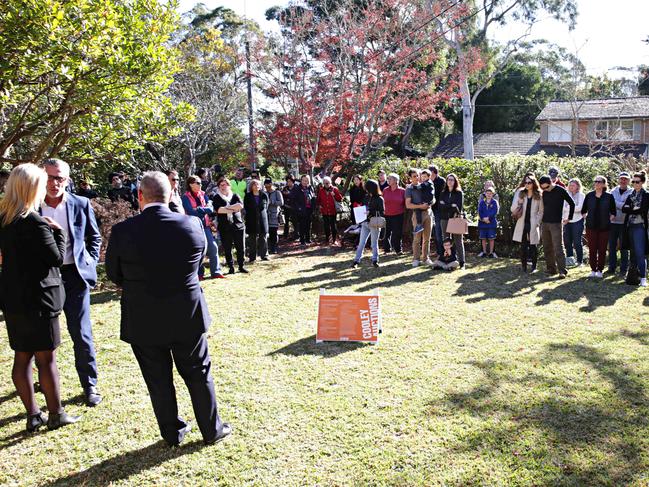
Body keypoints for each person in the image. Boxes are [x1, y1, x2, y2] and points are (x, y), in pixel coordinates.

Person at [105, 171, 232, 447]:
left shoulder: (123, 231)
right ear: (171, 194)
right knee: (198, 373)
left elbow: (114, 273)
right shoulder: (192, 225)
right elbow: (199, 264)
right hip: (185, 313)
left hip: (143, 316)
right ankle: (212, 430)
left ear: (140, 196)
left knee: (158, 379)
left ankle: (172, 433)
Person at [0, 163, 81, 431]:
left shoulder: (4, 219)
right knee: (46, 359)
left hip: (13, 298)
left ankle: (33, 414)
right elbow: (56, 259)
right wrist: (57, 232)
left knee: (22, 357)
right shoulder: (34, 221)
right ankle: (56, 414)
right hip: (40, 299)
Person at [42, 158, 103, 407]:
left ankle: (89, 385)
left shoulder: (80, 203)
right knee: (44, 335)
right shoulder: (31, 205)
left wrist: (87, 261)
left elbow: (93, 236)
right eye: (49, 176)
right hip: (44, 278)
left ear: (67, 180)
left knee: (81, 332)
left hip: (74, 276)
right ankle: (43, 379)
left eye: (60, 178)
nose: (54, 182)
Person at [182, 175, 224, 280]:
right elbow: (190, 212)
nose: (201, 185)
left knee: (213, 247)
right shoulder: (185, 197)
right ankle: (199, 274)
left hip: (205, 226)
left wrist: (199, 209)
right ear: (191, 184)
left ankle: (216, 272)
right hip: (193, 227)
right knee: (198, 250)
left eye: (201, 183)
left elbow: (211, 208)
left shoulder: (204, 194)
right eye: (198, 183)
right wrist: (203, 210)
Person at [539, 175, 575, 278]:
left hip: (556, 224)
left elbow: (571, 203)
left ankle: (562, 270)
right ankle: (551, 269)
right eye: (543, 188)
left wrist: (569, 218)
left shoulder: (561, 190)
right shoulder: (544, 192)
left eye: (546, 187)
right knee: (547, 247)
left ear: (551, 183)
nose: (545, 189)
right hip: (545, 223)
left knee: (558, 247)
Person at [581, 176, 616, 279]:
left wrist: (608, 219)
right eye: (595, 181)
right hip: (591, 226)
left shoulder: (609, 197)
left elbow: (613, 212)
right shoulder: (589, 196)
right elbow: (583, 210)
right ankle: (593, 269)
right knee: (592, 249)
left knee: (602, 249)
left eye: (599, 181)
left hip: (604, 227)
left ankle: (600, 270)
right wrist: (587, 217)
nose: (596, 183)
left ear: (604, 184)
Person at [212, 178, 247, 274]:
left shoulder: (235, 195)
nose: (223, 187)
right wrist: (232, 208)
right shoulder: (216, 197)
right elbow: (219, 210)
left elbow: (240, 206)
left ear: (229, 185)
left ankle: (241, 266)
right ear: (218, 187)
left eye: (225, 184)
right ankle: (231, 267)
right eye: (221, 185)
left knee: (241, 247)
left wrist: (226, 208)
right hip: (224, 226)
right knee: (227, 248)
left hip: (238, 225)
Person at [512, 174, 543, 273]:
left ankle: (534, 266)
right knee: (523, 246)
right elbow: (513, 208)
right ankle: (524, 266)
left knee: (533, 245)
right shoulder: (521, 193)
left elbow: (541, 211)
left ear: (533, 183)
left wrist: (537, 222)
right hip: (522, 222)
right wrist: (519, 203)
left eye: (529, 182)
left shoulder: (539, 195)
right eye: (525, 182)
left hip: (533, 223)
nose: (527, 184)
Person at [622, 172, 649, 287]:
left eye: (637, 182)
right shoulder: (630, 195)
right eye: (633, 182)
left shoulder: (646, 195)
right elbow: (624, 209)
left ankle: (643, 277)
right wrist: (633, 208)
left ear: (642, 182)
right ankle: (633, 277)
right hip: (630, 226)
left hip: (640, 226)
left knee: (640, 253)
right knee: (632, 252)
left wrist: (631, 208)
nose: (634, 184)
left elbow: (642, 210)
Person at [351, 179, 385, 268]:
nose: (365, 187)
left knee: (374, 243)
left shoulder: (379, 199)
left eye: (366, 186)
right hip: (365, 223)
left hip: (374, 223)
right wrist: (362, 209)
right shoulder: (366, 197)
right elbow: (364, 207)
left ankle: (375, 260)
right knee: (361, 242)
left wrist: (370, 212)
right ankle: (356, 260)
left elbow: (382, 212)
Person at [405, 169, 432, 267]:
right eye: (414, 176)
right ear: (410, 178)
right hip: (417, 215)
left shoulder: (426, 185)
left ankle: (425, 258)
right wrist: (420, 206)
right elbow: (408, 205)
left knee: (427, 238)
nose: (417, 178)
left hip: (428, 213)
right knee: (417, 238)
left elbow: (433, 198)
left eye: (418, 175)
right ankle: (416, 259)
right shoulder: (409, 189)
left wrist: (430, 203)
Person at [439, 173, 466, 269]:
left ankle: (462, 262)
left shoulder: (459, 193)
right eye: (448, 179)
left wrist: (447, 205)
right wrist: (451, 205)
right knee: (446, 241)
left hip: (455, 219)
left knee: (458, 241)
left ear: (455, 181)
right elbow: (440, 207)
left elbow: (458, 207)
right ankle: (448, 260)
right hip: (444, 219)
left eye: (452, 180)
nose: (450, 181)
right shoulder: (443, 193)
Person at [608, 172, 632, 276]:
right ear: (619, 180)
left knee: (624, 247)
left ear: (629, 181)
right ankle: (612, 267)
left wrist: (616, 204)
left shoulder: (632, 192)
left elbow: (629, 207)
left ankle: (623, 269)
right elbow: (610, 204)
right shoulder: (613, 191)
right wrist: (623, 205)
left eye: (625, 179)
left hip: (625, 223)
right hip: (613, 222)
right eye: (621, 179)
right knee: (612, 246)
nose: (623, 181)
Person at [244, 179, 269, 262]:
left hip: (262, 218)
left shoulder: (264, 195)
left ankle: (264, 255)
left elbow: (266, 206)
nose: (256, 186)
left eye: (258, 184)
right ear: (251, 186)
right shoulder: (247, 196)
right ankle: (252, 257)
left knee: (263, 237)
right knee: (252, 238)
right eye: (254, 184)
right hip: (251, 218)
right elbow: (246, 207)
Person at [562, 178, 585, 267]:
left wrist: (568, 207)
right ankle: (570, 260)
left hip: (577, 221)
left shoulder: (581, 195)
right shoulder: (566, 195)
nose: (571, 187)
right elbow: (562, 207)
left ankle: (580, 261)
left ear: (578, 186)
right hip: (566, 221)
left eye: (573, 185)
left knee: (577, 242)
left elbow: (580, 208)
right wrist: (571, 208)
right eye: (570, 185)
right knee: (567, 241)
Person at [382, 173, 406, 255]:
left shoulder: (402, 191)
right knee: (386, 233)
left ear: (396, 181)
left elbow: (406, 203)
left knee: (397, 233)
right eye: (388, 179)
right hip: (386, 215)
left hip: (398, 215)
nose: (388, 180)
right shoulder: (385, 190)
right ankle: (386, 249)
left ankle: (398, 250)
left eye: (390, 179)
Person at [291, 175, 316, 247]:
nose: (305, 182)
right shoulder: (296, 188)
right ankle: (302, 240)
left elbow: (313, 198)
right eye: (304, 180)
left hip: (309, 209)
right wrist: (298, 208)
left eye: (307, 180)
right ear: (301, 181)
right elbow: (293, 200)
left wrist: (313, 207)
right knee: (302, 225)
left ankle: (308, 239)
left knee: (308, 224)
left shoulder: (310, 188)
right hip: (301, 210)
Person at [316, 176, 343, 245]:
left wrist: (335, 195)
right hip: (324, 211)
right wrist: (319, 205)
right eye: (325, 183)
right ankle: (327, 240)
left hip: (333, 210)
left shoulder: (335, 189)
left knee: (333, 226)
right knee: (326, 226)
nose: (326, 184)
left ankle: (334, 240)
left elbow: (340, 199)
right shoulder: (321, 190)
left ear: (330, 183)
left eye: (328, 183)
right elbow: (318, 200)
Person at [477, 186, 499, 258]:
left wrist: (488, 218)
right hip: (482, 223)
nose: (489, 194)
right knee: (483, 238)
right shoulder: (482, 202)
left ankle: (491, 253)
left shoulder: (495, 202)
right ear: (485, 194)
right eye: (487, 193)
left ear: (492, 194)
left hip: (491, 223)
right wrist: (483, 218)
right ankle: (484, 252)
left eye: (490, 193)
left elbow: (494, 211)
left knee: (491, 239)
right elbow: (480, 212)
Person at [429, 165, 446, 257]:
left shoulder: (441, 181)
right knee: (434, 232)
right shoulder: (428, 181)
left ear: (435, 173)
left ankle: (442, 251)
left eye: (430, 173)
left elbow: (442, 196)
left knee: (439, 232)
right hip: (430, 209)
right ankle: (438, 251)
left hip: (439, 210)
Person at [264, 178, 284, 254]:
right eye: (266, 186)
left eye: (268, 186)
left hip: (274, 215)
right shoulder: (264, 193)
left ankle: (274, 247)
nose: (267, 188)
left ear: (271, 185)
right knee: (267, 232)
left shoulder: (277, 192)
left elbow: (281, 203)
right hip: (266, 215)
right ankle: (268, 248)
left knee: (274, 232)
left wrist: (272, 202)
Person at [414, 169, 435, 235]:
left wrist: (412, 187)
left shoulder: (427, 183)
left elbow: (419, 187)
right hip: (426, 200)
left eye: (425, 177)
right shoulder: (429, 183)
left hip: (427, 201)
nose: (423, 178)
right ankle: (419, 224)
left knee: (417, 209)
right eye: (422, 176)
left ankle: (419, 225)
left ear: (428, 177)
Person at [282, 175, 298, 240]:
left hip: (294, 207)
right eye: (287, 181)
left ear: (293, 181)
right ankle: (285, 235)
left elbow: (296, 197)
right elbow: (283, 197)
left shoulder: (296, 188)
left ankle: (296, 235)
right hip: (287, 207)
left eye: (290, 181)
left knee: (295, 222)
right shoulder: (285, 188)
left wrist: (289, 194)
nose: (289, 183)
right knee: (286, 222)